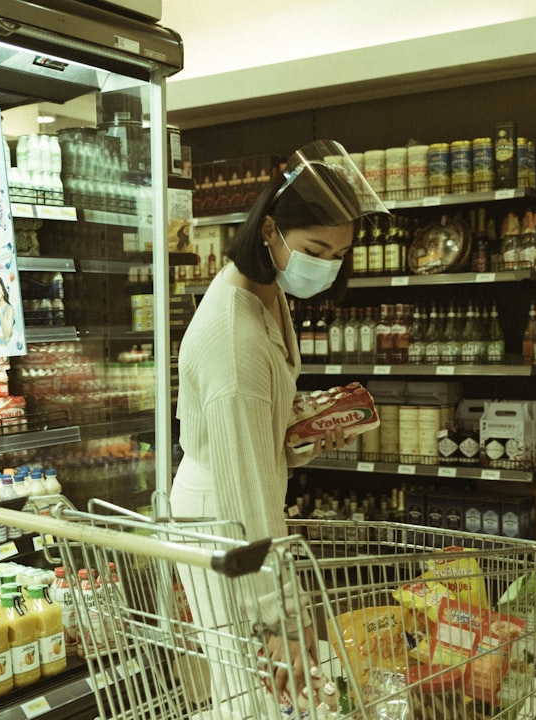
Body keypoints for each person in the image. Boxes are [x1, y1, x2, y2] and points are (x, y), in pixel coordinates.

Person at [169, 139, 387, 719]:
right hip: (224, 512)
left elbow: (257, 443)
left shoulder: (267, 290)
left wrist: (300, 439)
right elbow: (243, 496)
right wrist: (277, 617)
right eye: (317, 249)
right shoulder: (235, 338)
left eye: (340, 253)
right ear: (271, 231)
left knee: (261, 686)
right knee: (250, 681)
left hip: (243, 492)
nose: (328, 265)